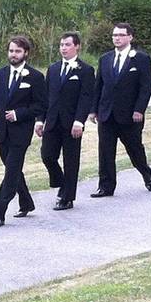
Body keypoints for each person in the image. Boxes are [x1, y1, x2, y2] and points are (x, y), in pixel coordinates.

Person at [0, 36, 47, 228]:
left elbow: (41, 105)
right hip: (3, 133)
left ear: (26, 53)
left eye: (17, 51)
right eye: (11, 51)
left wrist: (19, 114)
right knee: (13, 169)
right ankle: (26, 202)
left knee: (11, 172)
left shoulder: (35, 77)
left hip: (21, 133)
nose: (13, 54)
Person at [88, 22, 151, 197]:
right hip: (107, 114)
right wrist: (93, 110)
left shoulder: (140, 58)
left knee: (134, 149)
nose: (117, 38)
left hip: (130, 115)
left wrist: (139, 110)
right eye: (114, 35)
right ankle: (106, 186)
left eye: (120, 35)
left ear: (130, 37)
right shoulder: (105, 59)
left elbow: (146, 87)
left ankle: (145, 173)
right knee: (105, 151)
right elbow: (98, 86)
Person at [35, 31, 95, 211]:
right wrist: (40, 120)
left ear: (77, 46)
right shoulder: (53, 69)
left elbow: (86, 98)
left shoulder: (85, 70)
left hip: (72, 124)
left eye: (67, 45)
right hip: (52, 122)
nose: (63, 48)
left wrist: (79, 121)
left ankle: (67, 197)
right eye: (61, 45)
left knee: (71, 161)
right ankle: (61, 182)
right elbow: (45, 97)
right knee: (47, 156)